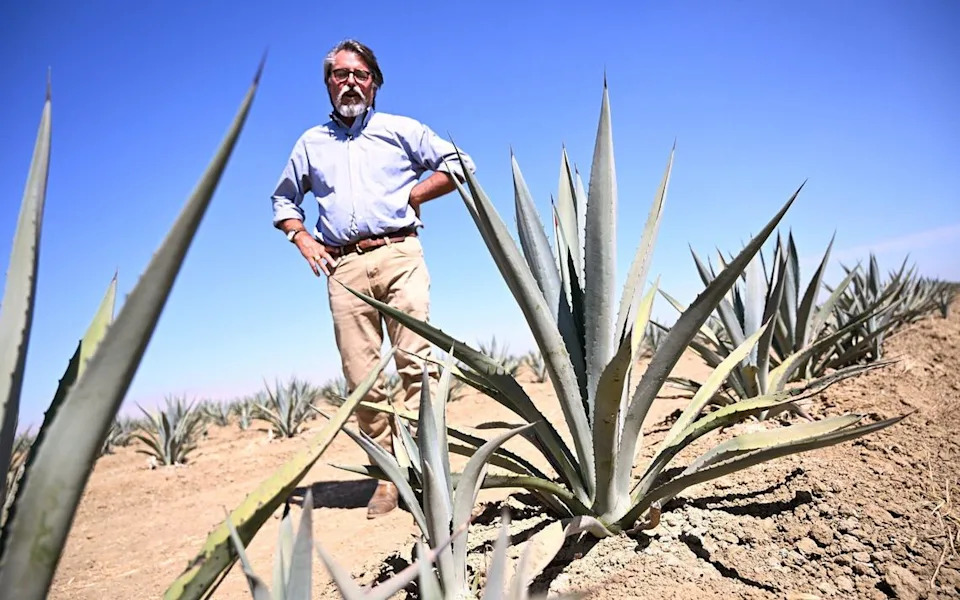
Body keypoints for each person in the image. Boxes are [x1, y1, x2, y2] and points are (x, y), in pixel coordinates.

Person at [270, 39, 475, 518]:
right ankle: (386, 476)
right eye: (340, 75)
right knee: (361, 378)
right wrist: (303, 238)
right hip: (342, 268)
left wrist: (417, 195)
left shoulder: (400, 130)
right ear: (327, 84)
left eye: (360, 74)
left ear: (375, 82)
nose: (350, 83)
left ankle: (431, 467)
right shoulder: (309, 144)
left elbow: (460, 163)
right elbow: (283, 202)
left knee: (415, 364)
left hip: (400, 254)